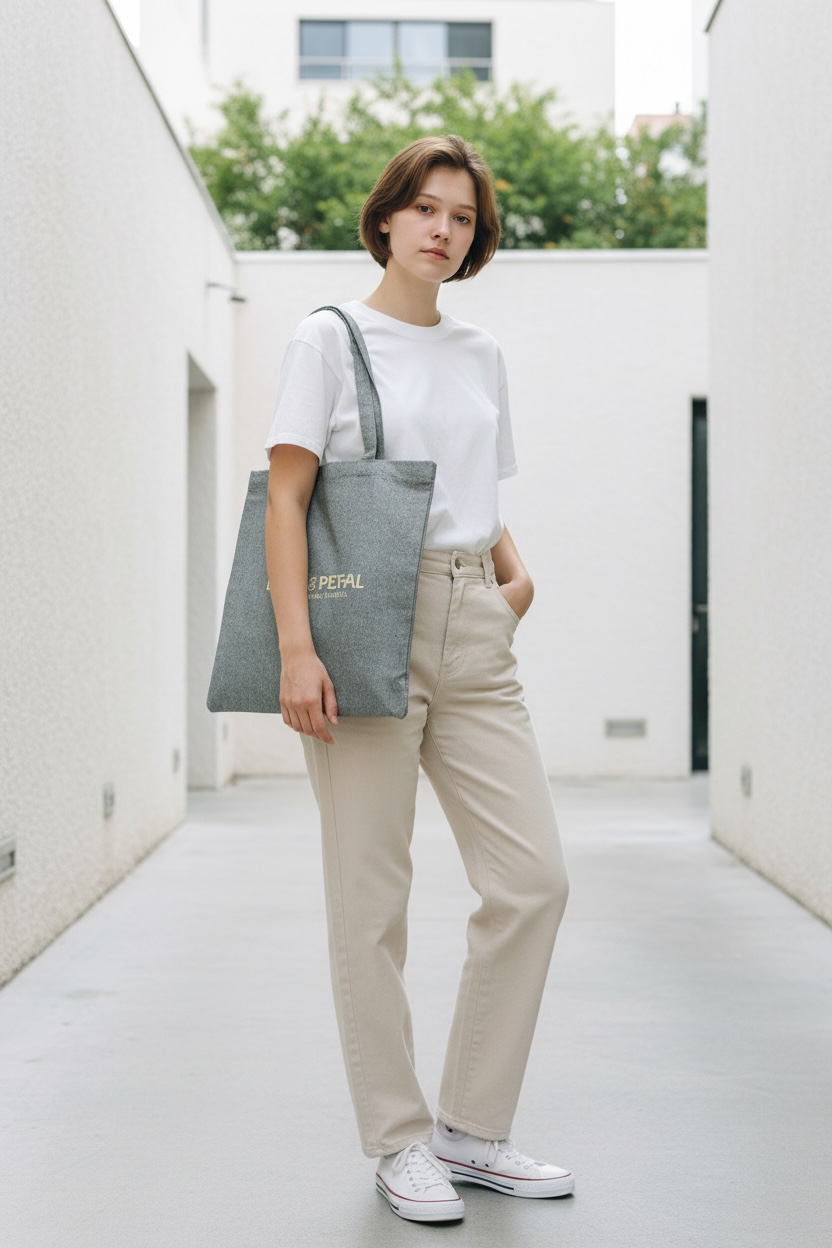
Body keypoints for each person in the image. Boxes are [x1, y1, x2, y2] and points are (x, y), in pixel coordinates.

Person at [264, 135, 571, 1225]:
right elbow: (288, 500)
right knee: (370, 901)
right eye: (425, 209)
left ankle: (471, 1129)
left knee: (532, 880)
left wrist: (509, 579)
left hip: (473, 626)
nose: (444, 229)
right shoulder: (328, 340)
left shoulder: (480, 352)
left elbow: (475, 488)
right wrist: (298, 650)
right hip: (360, 635)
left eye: (463, 217)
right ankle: (398, 1140)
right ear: (386, 217)